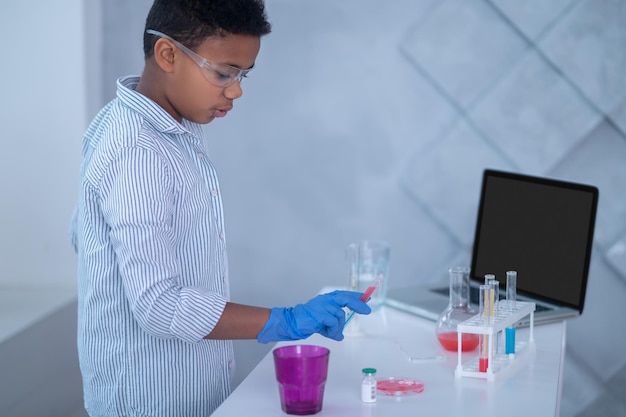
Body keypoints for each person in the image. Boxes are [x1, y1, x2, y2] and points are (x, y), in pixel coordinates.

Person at [69, 1, 371, 416]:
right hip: (149, 399)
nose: (236, 90)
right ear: (168, 54)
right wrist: (283, 320)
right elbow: (158, 304)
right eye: (224, 73)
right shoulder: (138, 150)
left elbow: (83, 237)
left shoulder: (155, 126)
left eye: (243, 74)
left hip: (188, 388)